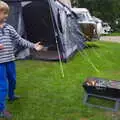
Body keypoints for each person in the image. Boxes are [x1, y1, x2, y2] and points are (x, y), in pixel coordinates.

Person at [0, 1, 44, 119]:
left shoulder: (9, 28)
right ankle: (2, 109)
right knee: (2, 85)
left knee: (13, 80)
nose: (6, 16)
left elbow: (20, 40)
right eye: (4, 13)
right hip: (0, 64)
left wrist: (33, 45)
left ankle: (11, 95)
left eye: (6, 13)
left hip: (10, 60)